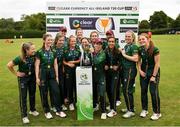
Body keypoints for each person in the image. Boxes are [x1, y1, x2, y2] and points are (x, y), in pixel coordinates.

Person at [35, 33, 66, 119]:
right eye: (48, 40)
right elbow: (37, 65)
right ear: (44, 40)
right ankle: (47, 111)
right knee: (44, 93)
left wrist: (57, 76)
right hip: (43, 74)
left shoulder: (54, 51)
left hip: (52, 73)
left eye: (51, 40)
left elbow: (55, 64)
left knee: (56, 91)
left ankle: (59, 110)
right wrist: (37, 77)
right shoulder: (39, 52)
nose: (50, 41)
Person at [7, 42, 39, 124]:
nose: (34, 50)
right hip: (23, 79)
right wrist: (16, 73)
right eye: (32, 49)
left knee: (32, 94)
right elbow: (9, 65)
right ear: (26, 50)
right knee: (23, 97)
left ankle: (32, 110)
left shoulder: (34, 56)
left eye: (34, 48)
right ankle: (24, 116)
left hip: (32, 78)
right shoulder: (20, 58)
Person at [138, 33, 161, 120]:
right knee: (143, 91)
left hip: (153, 73)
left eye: (143, 39)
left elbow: (157, 64)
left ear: (148, 39)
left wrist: (154, 76)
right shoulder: (140, 49)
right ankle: (144, 110)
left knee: (153, 92)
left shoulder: (155, 49)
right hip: (143, 73)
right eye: (140, 39)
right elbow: (139, 61)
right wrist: (139, 70)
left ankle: (157, 112)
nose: (141, 41)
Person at [119, 30, 138, 118]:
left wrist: (123, 54)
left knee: (127, 90)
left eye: (129, 36)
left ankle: (131, 111)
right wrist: (122, 51)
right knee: (125, 90)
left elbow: (135, 59)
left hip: (130, 70)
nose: (127, 38)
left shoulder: (134, 46)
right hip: (125, 71)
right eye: (126, 36)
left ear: (133, 37)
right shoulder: (126, 46)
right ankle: (129, 108)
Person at [104, 37, 121, 118]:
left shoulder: (118, 51)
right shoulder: (105, 51)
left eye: (112, 42)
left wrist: (117, 66)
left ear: (115, 42)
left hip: (115, 74)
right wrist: (105, 65)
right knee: (108, 90)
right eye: (109, 41)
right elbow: (104, 60)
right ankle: (111, 105)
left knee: (113, 90)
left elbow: (121, 62)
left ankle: (113, 110)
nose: (111, 43)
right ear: (107, 42)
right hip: (107, 73)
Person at [63, 35, 81, 110]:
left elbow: (80, 60)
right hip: (68, 71)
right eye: (72, 41)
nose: (73, 42)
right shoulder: (65, 50)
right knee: (69, 86)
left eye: (74, 41)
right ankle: (71, 103)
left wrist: (73, 62)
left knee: (76, 86)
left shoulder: (78, 49)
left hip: (77, 70)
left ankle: (77, 101)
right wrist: (68, 64)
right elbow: (63, 60)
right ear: (69, 42)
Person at [51, 35, 68, 111]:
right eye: (60, 40)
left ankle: (61, 104)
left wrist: (64, 67)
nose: (61, 42)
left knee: (61, 86)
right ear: (56, 40)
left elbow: (63, 59)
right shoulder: (52, 48)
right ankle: (53, 105)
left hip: (61, 69)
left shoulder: (64, 48)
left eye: (62, 40)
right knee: (54, 88)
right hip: (52, 70)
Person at [92, 38, 106, 119]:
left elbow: (97, 61)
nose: (98, 45)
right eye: (96, 44)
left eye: (100, 44)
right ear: (94, 44)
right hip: (93, 75)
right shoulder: (91, 53)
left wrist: (92, 54)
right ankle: (95, 106)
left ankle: (103, 111)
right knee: (94, 92)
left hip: (101, 76)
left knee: (101, 93)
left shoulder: (103, 54)